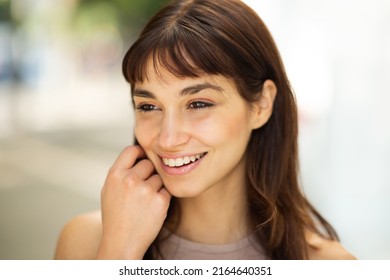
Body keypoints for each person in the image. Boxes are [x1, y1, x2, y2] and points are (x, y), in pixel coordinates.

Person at [55, 0, 356, 260]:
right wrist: (119, 254)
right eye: (148, 106)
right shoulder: (86, 243)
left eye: (198, 104)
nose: (168, 139)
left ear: (262, 104)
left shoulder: (327, 265)